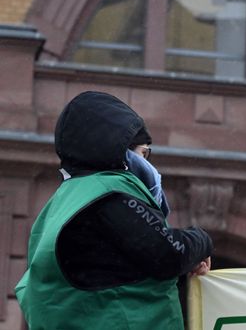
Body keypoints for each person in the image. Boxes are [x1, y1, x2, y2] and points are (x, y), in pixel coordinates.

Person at [15, 91, 213, 329]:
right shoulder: (110, 193)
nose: (148, 164)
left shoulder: (63, 201)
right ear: (122, 151)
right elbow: (168, 254)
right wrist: (201, 240)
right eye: (143, 153)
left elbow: (109, 276)